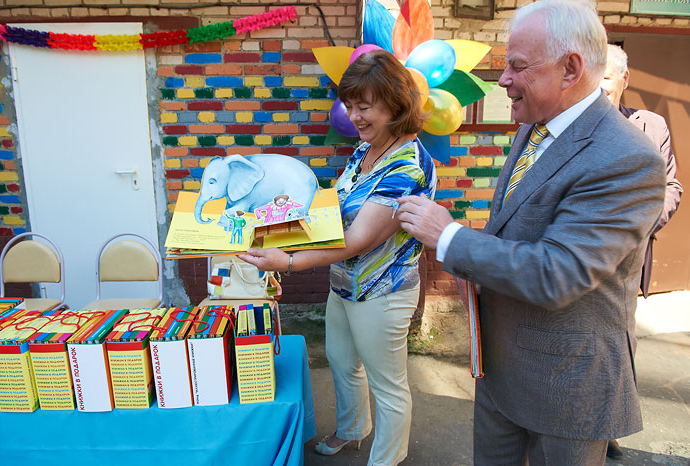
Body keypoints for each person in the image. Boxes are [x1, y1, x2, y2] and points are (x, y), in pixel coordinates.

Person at [396, 1, 666, 464]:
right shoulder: (535, 126)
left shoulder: (626, 157)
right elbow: (515, 228)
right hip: (501, 369)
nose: (503, 79)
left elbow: (558, 273)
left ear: (570, 69)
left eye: (518, 66)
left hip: (566, 386)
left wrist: (449, 237)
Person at [240, 49, 436, 466]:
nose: (353, 116)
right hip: (344, 284)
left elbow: (359, 239)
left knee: (388, 385)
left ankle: (385, 460)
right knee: (343, 363)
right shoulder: (365, 150)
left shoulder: (409, 166)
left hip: (382, 292)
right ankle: (352, 429)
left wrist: (288, 261)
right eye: (349, 105)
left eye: (363, 106)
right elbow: (335, 208)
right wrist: (278, 222)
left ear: (394, 104)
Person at [600, 43, 683, 460]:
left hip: (628, 259)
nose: (599, 86)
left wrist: (637, 229)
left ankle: (609, 426)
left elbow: (671, 187)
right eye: (593, 77)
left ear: (624, 80)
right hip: (581, 256)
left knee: (621, 343)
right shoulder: (569, 127)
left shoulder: (651, 126)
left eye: (607, 77)